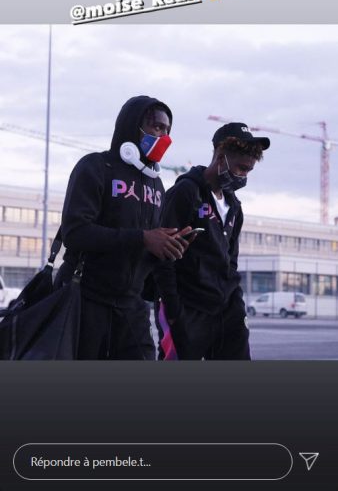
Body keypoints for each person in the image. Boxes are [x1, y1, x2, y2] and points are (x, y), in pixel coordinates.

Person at [59, 96, 189, 360]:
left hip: (132, 307)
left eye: (167, 130)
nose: (164, 135)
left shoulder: (157, 185)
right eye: (156, 127)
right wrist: (142, 238)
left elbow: (150, 247)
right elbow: (74, 233)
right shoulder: (96, 167)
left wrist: (169, 246)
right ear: (132, 126)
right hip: (86, 300)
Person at [155, 122, 270, 360]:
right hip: (188, 309)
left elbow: (231, 262)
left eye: (248, 171)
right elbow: (163, 257)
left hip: (227, 310)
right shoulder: (186, 193)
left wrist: (236, 305)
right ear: (220, 157)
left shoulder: (235, 207)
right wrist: (174, 311)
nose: (243, 177)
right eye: (240, 169)